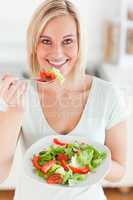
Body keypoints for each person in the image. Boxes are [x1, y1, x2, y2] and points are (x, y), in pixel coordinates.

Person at [0, 0, 128, 199]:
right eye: (46, 41)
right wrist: (13, 112)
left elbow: (119, 172)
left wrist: (88, 158)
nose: (57, 53)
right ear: (34, 45)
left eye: (67, 41)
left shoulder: (108, 96)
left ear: (79, 43)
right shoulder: (18, 97)